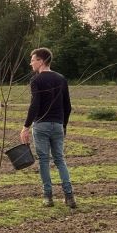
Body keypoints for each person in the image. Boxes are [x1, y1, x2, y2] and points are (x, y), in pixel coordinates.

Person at [20, 47, 76, 208]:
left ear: (41, 61)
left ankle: (48, 197)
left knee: (44, 161)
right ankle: (69, 196)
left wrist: (26, 127)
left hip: (41, 125)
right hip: (58, 125)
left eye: (33, 60)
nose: (30, 63)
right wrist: (63, 125)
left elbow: (35, 105)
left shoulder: (36, 80)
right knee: (60, 160)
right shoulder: (61, 79)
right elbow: (68, 106)